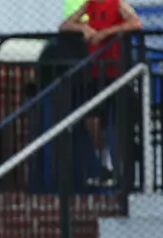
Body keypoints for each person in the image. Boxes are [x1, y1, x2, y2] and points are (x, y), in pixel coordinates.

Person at [59, 0, 143, 187]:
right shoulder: (89, 5)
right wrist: (83, 27)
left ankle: (121, 171)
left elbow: (136, 23)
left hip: (115, 73)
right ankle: (103, 164)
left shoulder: (117, 3)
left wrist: (107, 32)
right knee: (92, 120)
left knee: (118, 123)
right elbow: (64, 26)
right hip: (95, 72)